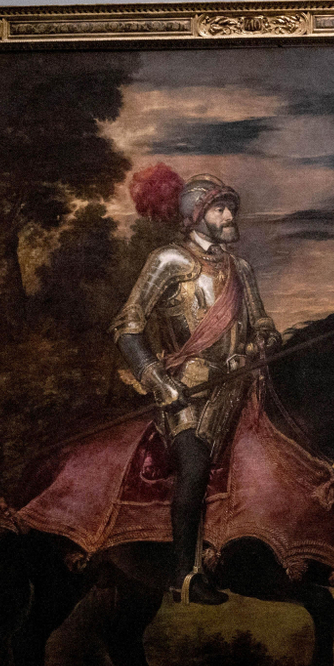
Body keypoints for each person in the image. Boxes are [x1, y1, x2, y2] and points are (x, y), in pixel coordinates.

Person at [110, 166, 284, 605]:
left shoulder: (241, 269)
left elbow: (264, 325)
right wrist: (159, 382)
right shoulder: (168, 261)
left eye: (230, 209)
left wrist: (261, 343)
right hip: (187, 395)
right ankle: (185, 576)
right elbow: (127, 327)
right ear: (196, 215)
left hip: (239, 388)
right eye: (220, 210)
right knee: (195, 465)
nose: (230, 217)